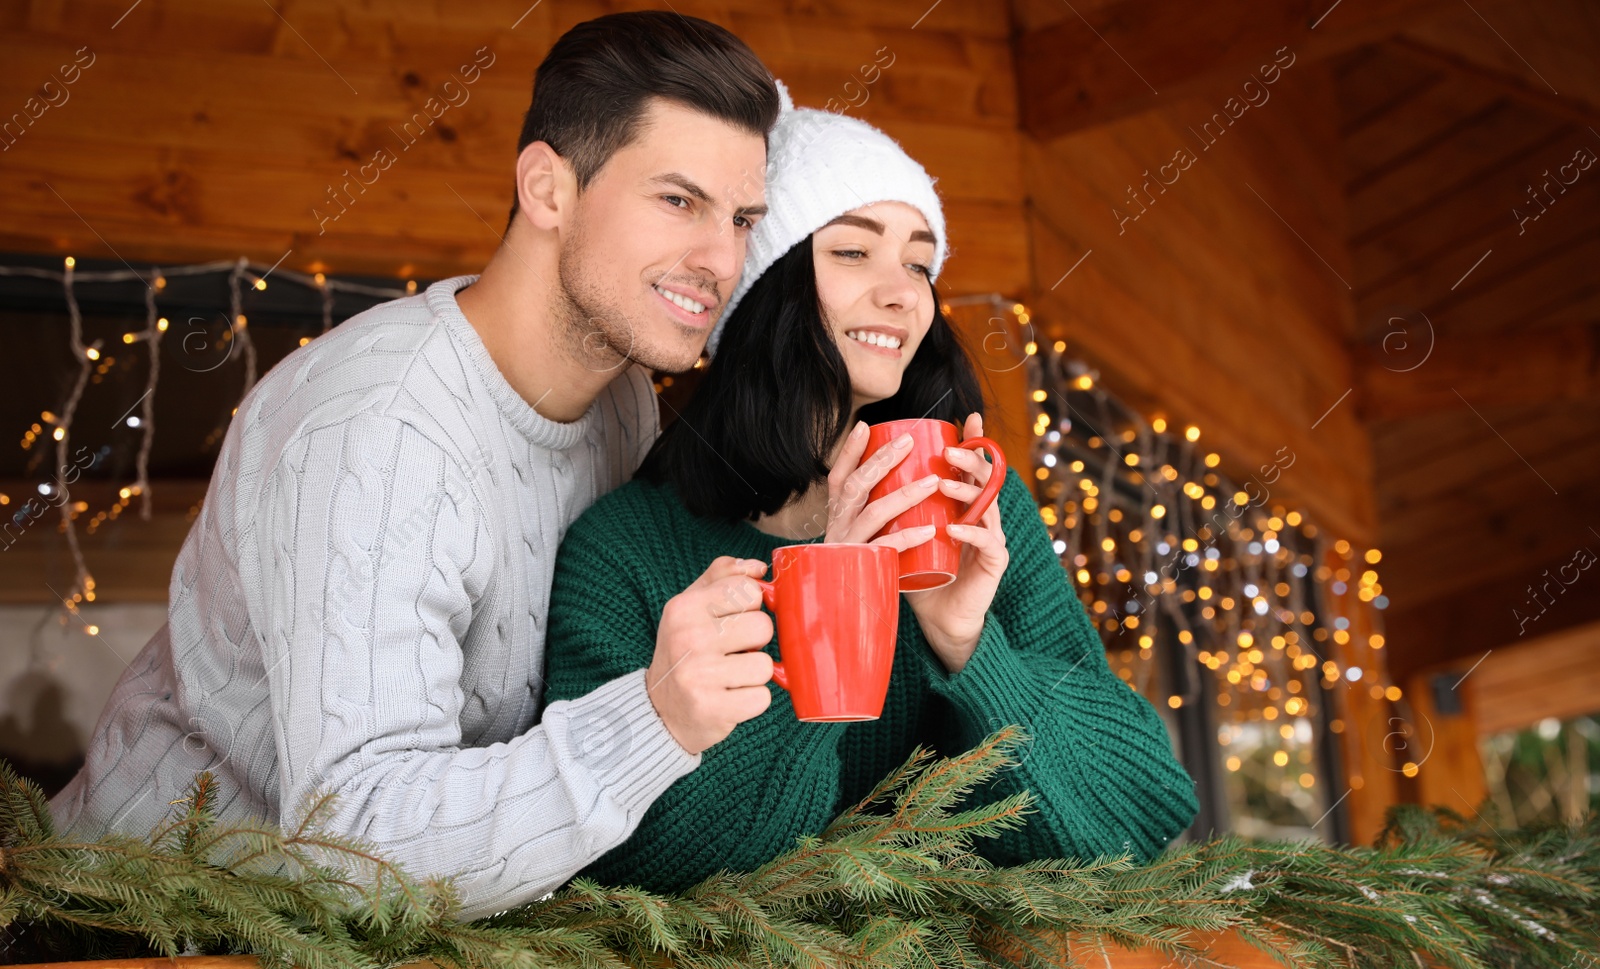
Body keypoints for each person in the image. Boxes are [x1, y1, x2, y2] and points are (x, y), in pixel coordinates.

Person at [50, 12, 787, 920]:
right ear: (547, 188)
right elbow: (354, 840)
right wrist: (652, 721)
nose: (720, 257)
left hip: (365, 959)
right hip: (131, 946)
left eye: (742, 217)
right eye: (678, 201)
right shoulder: (382, 428)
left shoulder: (622, 400)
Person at [542, 98, 1202, 894]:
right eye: (854, 252)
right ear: (764, 287)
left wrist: (968, 644)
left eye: (920, 263)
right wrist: (832, 598)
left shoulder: (971, 504)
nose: (905, 294)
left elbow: (1142, 810)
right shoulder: (626, 549)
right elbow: (635, 865)